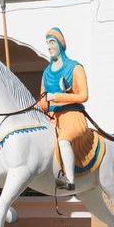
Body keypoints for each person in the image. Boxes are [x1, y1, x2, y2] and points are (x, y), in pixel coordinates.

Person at [37, 28, 88, 191]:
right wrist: (37, 104)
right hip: (52, 117)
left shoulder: (75, 67)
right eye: (47, 43)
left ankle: (70, 180)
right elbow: (43, 99)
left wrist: (57, 97)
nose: (49, 47)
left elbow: (83, 96)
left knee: (64, 139)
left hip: (73, 115)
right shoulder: (46, 72)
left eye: (52, 42)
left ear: (60, 44)